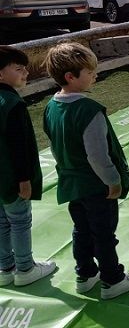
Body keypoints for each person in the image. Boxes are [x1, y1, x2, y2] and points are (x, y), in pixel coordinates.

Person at [42, 42, 129, 299]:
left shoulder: (51, 107)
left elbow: (54, 146)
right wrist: (113, 180)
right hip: (96, 185)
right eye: (89, 72)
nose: (95, 76)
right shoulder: (89, 111)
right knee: (103, 233)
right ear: (70, 76)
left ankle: (85, 274)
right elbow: (97, 155)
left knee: (81, 230)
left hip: (72, 183)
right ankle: (113, 279)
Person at [0, 46, 56, 287]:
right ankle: (25, 268)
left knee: (2, 222)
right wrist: (24, 180)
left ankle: (5, 268)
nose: (25, 73)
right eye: (18, 69)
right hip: (13, 178)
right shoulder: (12, 104)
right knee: (20, 221)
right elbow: (19, 146)